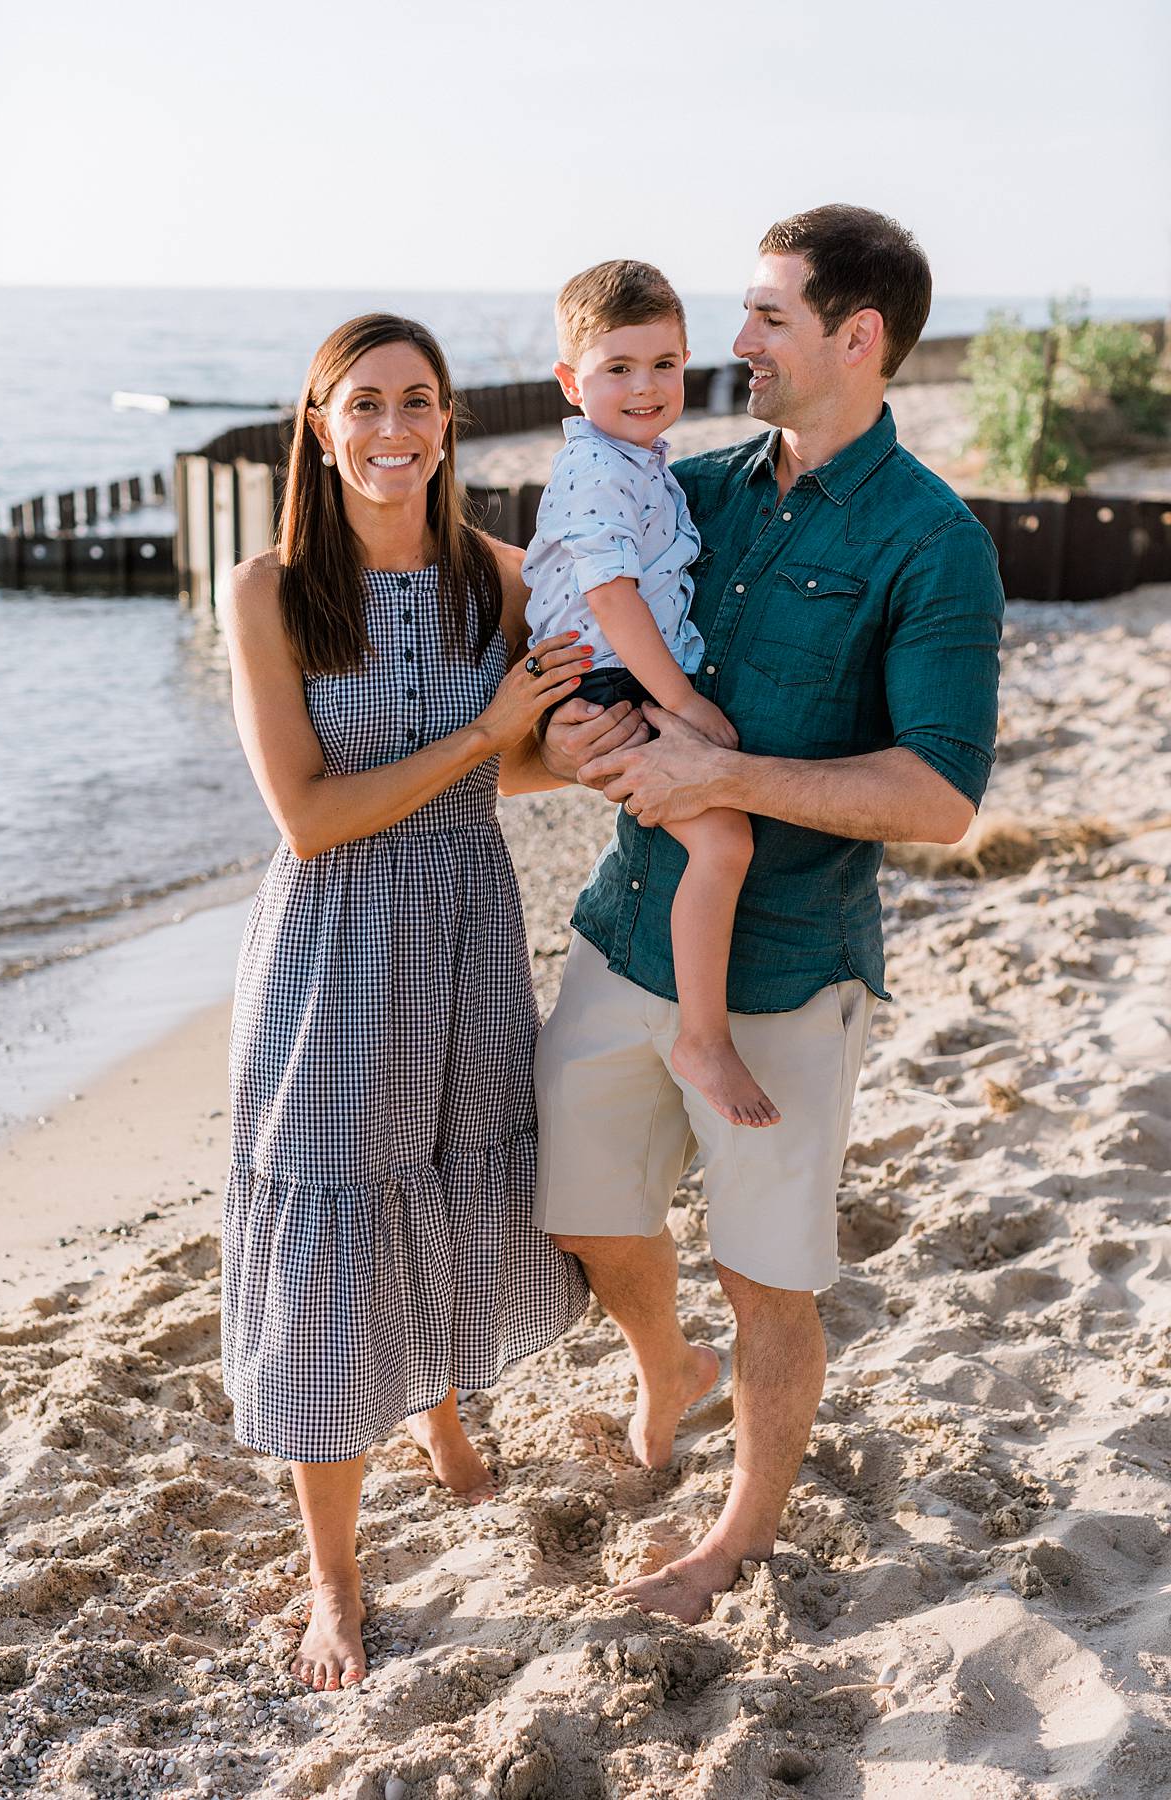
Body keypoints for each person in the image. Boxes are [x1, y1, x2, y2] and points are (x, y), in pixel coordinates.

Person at [535, 206, 1006, 1625]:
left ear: (857, 340)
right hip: (627, 929)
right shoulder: (701, 488)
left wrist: (725, 770)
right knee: (581, 1203)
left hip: (792, 973)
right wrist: (567, 744)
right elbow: (592, 648)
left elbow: (937, 800)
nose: (733, 346)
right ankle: (664, 1367)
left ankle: (733, 1540)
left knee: (770, 1281)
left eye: (767, 318)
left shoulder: (938, 546)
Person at [219, 313, 618, 1692]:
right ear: (319, 425)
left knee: (444, 1187)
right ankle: (337, 1578)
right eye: (366, 404)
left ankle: (442, 1415)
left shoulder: (496, 579)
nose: (394, 431)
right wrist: (493, 730)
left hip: (466, 928)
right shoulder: (268, 591)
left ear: (449, 425)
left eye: (420, 403)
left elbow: (512, 766)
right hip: (333, 952)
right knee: (337, 1224)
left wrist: (605, 757)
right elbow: (314, 816)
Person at [523, 260, 778, 1127]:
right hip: (607, 681)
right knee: (724, 842)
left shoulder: (638, 462)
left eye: (664, 364)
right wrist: (683, 703)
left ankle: (699, 1025)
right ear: (571, 381)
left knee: (725, 823)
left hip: (619, 674)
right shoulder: (597, 470)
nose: (646, 387)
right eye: (618, 369)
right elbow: (610, 596)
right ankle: (703, 1038)